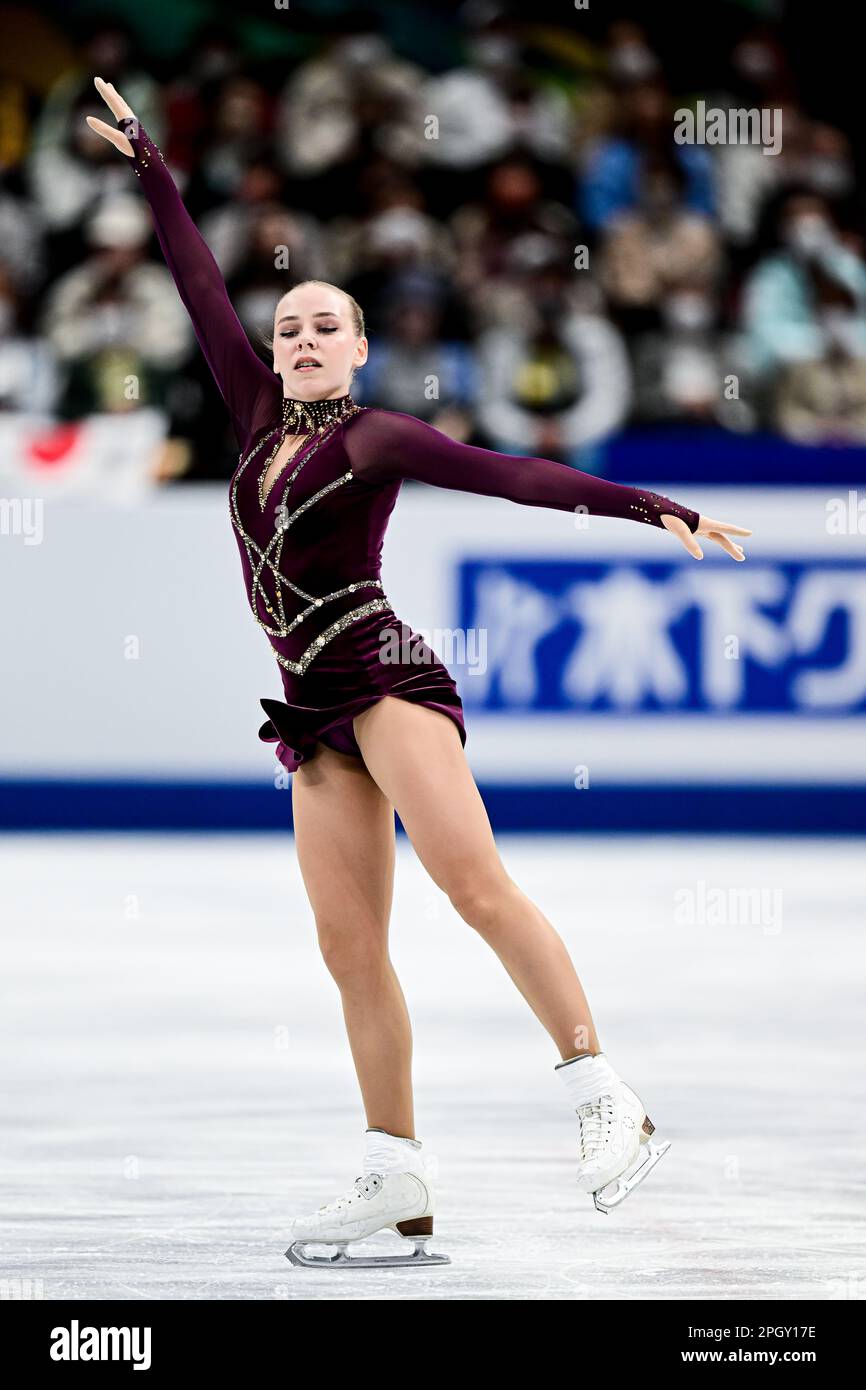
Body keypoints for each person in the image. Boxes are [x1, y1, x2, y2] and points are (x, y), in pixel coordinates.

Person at [87, 78, 750, 1268]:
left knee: (473, 885)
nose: (296, 341)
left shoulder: (374, 436)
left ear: (360, 348)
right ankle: (395, 1173)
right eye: (285, 326)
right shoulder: (249, 418)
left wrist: (651, 507)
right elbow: (195, 287)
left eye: (321, 327)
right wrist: (151, 165)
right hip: (307, 708)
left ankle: (607, 1093)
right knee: (349, 952)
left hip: (384, 676)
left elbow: (514, 476)